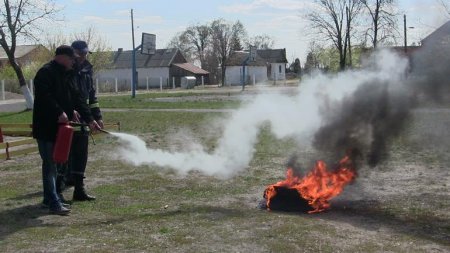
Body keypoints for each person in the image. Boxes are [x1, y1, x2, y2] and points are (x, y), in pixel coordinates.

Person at [33, 45, 100, 215]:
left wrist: (91, 120)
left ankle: (50, 199)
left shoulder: (67, 74)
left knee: (58, 164)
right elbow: (44, 97)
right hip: (46, 128)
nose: (74, 61)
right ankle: (53, 203)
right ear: (61, 57)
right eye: (72, 58)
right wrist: (60, 112)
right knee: (50, 165)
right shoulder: (45, 73)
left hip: (61, 129)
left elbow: (78, 99)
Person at [56, 40, 103, 202]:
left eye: (85, 54)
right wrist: (69, 110)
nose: (82, 57)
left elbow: (91, 97)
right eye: (79, 54)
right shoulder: (66, 70)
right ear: (72, 53)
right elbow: (61, 95)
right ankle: (57, 190)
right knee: (64, 156)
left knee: (81, 155)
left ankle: (79, 190)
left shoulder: (87, 70)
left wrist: (97, 116)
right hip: (69, 121)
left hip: (84, 120)